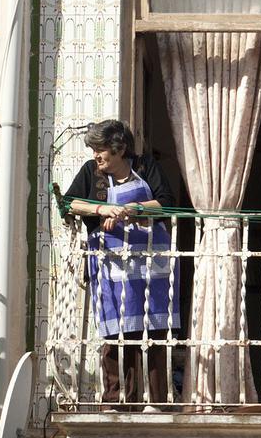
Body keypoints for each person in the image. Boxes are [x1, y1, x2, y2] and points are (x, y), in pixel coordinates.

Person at [63, 119, 179, 410]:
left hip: (151, 263)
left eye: (101, 150)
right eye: (94, 150)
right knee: (116, 330)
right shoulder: (92, 174)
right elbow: (69, 203)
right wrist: (101, 208)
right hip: (111, 263)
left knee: (153, 330)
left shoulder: (144, 166)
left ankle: (157, 401)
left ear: (119, 149)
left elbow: (165, 202)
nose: (96, 156)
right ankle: (117, 400)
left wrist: (131, 209)